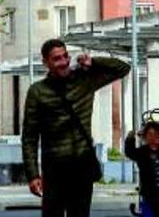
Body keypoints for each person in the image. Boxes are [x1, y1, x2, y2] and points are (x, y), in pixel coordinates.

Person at [23, 38, 131, 217]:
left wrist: (94, 61)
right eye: (57, 59)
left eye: (65, 56)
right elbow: (29, 137)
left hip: (82, 165)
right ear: (45, 62)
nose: (64, 62)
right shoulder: (37, 91)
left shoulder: (84, 79)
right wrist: (33, 175)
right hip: (54, 169)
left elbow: (123, 68)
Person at [125, 121, 159, 217]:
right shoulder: (142, 152)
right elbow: (130, 152)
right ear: (145, 138)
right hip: (149, 196)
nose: (153, 138)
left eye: (156, 135)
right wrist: (130, 137)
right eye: (149, 135)